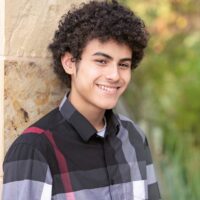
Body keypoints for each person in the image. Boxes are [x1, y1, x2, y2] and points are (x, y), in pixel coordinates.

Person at [2, 0, 161, 199]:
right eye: (101, 61)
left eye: (123, 64)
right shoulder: (34, 150)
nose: (114, 75)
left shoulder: (134, 138)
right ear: (69, 62)